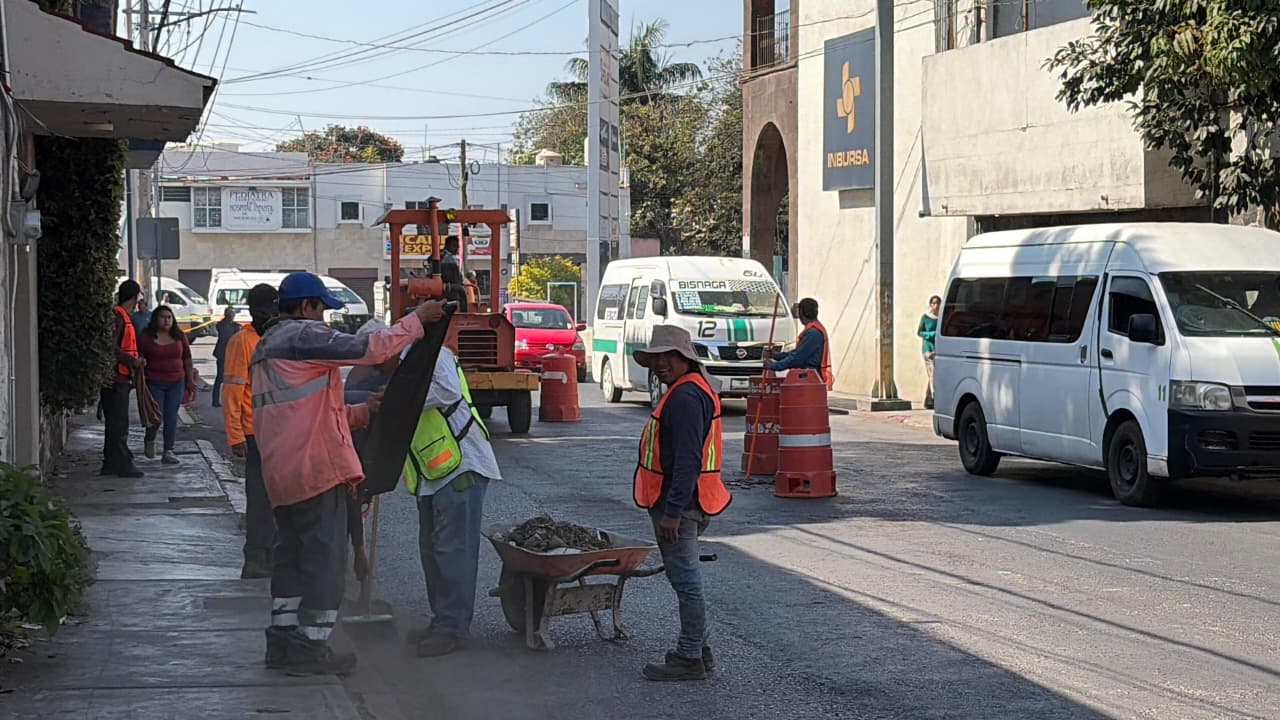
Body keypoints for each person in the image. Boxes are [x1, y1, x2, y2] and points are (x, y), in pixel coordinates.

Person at [252, 271, 445, 675]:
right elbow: (370, 349)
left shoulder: (267, 347)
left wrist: (362, 412)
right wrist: (418, 319)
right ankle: (311, 646)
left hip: (283, 474)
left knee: (291, 558)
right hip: (314, 472)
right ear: (306, 306)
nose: (323, 318)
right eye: (321, 309)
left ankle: (282, 640)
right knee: (325, 562)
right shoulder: (302, 335)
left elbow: (305, 413)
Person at [631, 325, 732, 682]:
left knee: (686, 581)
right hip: (692, 499)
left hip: (681, 504)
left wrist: (672, 512)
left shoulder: (686, 397)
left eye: (669, 356)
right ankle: (699, 652)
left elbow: (688, 459)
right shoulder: (693, 389)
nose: (661, 363)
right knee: (685, 578)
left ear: (685, 358)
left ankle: (689, 656)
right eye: (657, 357)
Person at [401, 342, 500, 658]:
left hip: (461, 466)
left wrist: (397, 399)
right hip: (434, 473)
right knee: (432, 551)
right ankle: (442, 621)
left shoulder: (432, 355)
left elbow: (447, 392)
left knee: (453, 551)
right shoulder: (403, 366)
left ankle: (452, 628)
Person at [223, 284, 279, 580]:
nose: (270, 315)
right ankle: (256, 559)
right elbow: (232, 391)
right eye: (265, 310)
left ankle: (271, 556)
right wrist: (235, 436)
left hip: (277, 432)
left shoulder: (273, 338)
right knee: (259, 501)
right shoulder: (241, 342)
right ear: (255, 311)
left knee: (277, 499)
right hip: (253, 433)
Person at [137, 306, 196, 464]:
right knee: (157, 416)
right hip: (154, 381)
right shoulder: (146, 337)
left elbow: (187, 358)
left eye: (169, 317)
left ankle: (168, 450)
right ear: (156, 319)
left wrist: (190, 380)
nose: (166, 320)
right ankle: (150, 438)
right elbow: (137, 354)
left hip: (176, 382)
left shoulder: (179, 336)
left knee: (171, 416)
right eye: (162, 317)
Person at [102, 280, 146, 478]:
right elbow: (111, 347)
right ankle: (121, 463)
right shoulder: (119, 317)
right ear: (135, 297)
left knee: (115, 422)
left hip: (120, 376)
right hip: (116, 378)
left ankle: (111, 462)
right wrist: (132, 361)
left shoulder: (121, 315)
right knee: (118, 423)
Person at [765, 297, 833, 389]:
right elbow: (796, 353)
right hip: (810, 377)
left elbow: (797, 358)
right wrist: (776, 356)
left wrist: (774, 366)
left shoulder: (813, 333)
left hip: (810, 378)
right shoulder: (813, 330)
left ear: (801, 313)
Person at [211, 307, 240, 408]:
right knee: (223, 378)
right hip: (225, 354)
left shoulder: (225, 325)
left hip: (226, 354)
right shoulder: (228, 326)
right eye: (232, 314)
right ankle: (219, 400)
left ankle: (218, 400)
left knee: (222, 378)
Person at [918, 295, 941, 410]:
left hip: (939, 348)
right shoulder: (925, 317)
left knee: (934, 374)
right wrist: (931, 334)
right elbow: (920, 332)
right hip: (928, 348)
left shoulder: (941, 318)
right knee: (933, 374)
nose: (936, 306)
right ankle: (935, 398)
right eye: (934, 303)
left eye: (938, 303)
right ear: (930, 305)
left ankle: (928, 400)